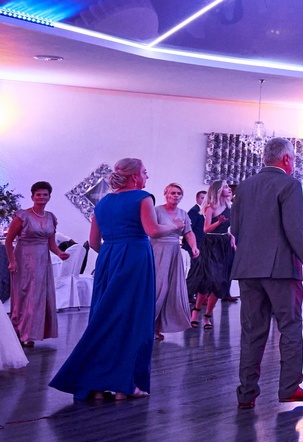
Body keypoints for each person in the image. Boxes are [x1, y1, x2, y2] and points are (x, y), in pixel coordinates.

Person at [50, 159, 160, 400]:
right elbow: (153, 230)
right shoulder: (143, 197)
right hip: (135, 257)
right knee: (133, 319)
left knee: (104, 318)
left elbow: (93, 243)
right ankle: (124, 385)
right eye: (144, 171)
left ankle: (96, 384)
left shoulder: (102, 203)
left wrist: (114, 253)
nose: (147, 176)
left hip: (108, 257)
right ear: (134, 177)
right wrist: (174, 226)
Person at [230, 137, 303, 408]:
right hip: (281, 269)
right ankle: (289, 387)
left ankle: (246, 393)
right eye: (293, 159)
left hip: (248, 268)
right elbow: (296, 230)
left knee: (252, 331)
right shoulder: (290, 184)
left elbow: (235, 227)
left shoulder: (245, 186)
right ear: (286, 159)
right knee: (290, 327)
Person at [5, 181, 68, 347]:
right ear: (32, 197)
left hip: (42, 261)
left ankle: (32, 333)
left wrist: (60, 253)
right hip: (24, 259)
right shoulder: (22, 216)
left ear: (49, 197)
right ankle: (21, 333)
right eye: (38, 194)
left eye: (45, 194)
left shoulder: (51, 217)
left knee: (39, 297)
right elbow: (9, 240)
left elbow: (51, 243)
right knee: (25, 296)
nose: (41, 197)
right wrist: (12, 261)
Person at [152, 183, 199, 338]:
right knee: (158, 287)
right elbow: (152, 231)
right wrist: (173, 225)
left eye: (179, 193)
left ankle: (157, 327)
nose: (176, 196)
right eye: (173, 193)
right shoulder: (156, 211)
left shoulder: (183, 213)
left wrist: (194, 247)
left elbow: (188, 232)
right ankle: (147, 325)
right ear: (166, 194)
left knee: (171, 289)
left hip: (174, 252)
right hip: (158, 250)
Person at [190, 180, 236, 330]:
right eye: (225, 187)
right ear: (218, 190)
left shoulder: (230, 207)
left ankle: (208, 316)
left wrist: (231, 236)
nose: (229, 189)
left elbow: (227, 229)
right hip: (211, 244)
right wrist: (218, 223)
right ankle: (196, 311)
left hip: (223, 244)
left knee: (220, 282)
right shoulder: (211, 207)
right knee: (207, 280)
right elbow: (206, 229)